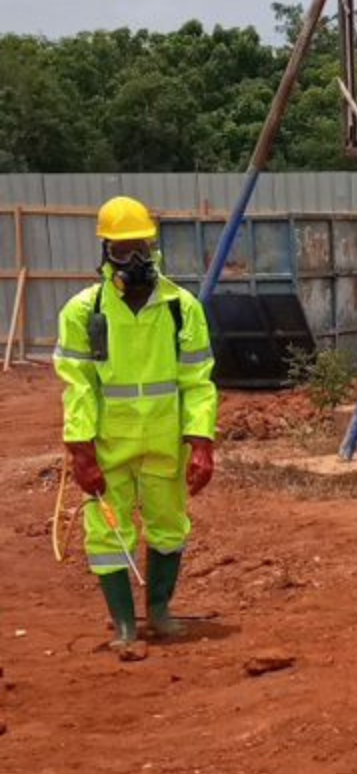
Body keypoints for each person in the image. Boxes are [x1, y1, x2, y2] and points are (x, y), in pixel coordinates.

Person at [53, 196, 218, 655]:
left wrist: (201, 442)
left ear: (154, 246)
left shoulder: (181, 308)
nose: (135, 260)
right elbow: (78, 386)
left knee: (169, 524)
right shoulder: (83, 314)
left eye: (141, 247)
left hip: (166, 441)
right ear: (105, 252)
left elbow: (198, 381)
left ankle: (160, 613)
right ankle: (124, 624)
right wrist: (80, 450)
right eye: (123, 250)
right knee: (108, 534)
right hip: (109, 444)